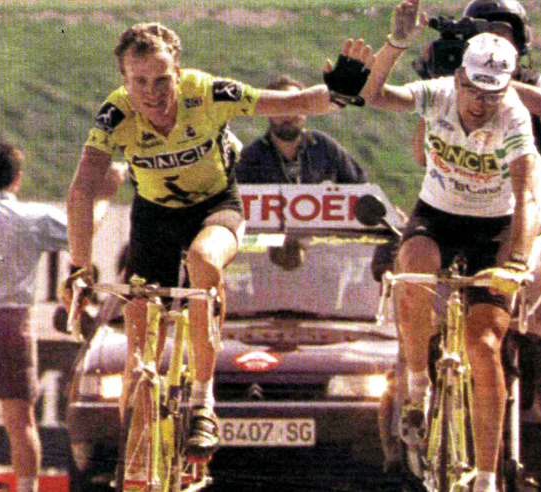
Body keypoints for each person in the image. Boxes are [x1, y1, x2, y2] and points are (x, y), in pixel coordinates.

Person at [62, 22, 343, 459]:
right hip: (154, 218)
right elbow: (83, 188)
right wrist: (79, 268)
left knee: (203, 260)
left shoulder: (207, 93)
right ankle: (138, 464)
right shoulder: (115, 114)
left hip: (215, 207)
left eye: (162, 80)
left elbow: (293, 103)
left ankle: (202, 401)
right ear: (124, 81)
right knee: (139, 354)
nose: (152, 93)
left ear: (179, 73)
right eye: (139, 81)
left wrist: (342, 90)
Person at [336, 2, 541, 490]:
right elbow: (373, 95)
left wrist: (518, 263)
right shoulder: (437, 95)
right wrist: (396, 43)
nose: (480, 103)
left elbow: (525, 197)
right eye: (473, 89)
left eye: (492, 93)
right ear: (458, 78)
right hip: (439, 216)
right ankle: (416, 385)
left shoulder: (514, 118)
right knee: (413, 272)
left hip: (494, 228)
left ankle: (487, 477)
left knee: (484, 346)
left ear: (507, 88)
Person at [412, 0, 541, 169]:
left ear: (519, 41)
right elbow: (423, 157)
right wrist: (439, 86)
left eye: (499, 35)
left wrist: (492, 82)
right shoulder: (459, 86)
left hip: (533, 177)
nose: (492, 43)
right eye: (483, 36)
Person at [0, 143, 69, 492]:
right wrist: (101, 196)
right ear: (17, 179)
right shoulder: (33, 217)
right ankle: (26, 488)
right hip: (13, 323)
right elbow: (84, 230)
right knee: (21, 421)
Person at [236, 75, 367, 184]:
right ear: (267, 112)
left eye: (295, 107)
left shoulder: (324, 147)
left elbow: (361, 188)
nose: (288, 115)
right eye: (280, 108)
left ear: (307, 111)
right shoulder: (250, 158)